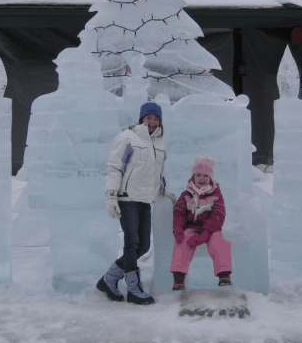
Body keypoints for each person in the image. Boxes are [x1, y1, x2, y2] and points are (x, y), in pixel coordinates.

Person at [97, 102, 175, 305]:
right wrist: (110, 196)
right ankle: (133, 288)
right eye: (148, 117)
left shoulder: (160, 140)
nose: (152, 121)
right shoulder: (127, 137)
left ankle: (110, 278)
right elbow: (115, 167)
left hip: (146, 199)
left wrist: (162, 189)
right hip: (127, 198)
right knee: (131, 243)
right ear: (141, 119)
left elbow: (159, 169)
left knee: (143, 246)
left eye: (155, 118)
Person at [170, 155, 232, 290]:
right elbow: (179, 212)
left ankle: (224, 274)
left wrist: (205, 233)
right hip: (191, 227)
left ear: (211, 177)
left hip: (211, 228)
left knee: (220, 242)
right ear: (193, 176)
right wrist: (178, 228)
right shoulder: (186, 194)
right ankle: (179, 277)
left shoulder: (216, 194)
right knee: (183, 241)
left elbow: (218, 215)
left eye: (205, 175)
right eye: (198, 175)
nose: (201, 179)